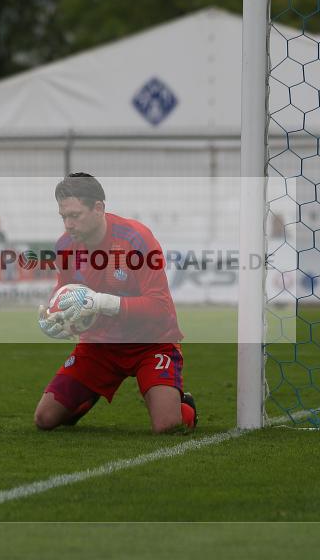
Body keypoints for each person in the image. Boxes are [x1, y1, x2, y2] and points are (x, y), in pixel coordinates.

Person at [34, 173, 197, 433]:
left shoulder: (136, 239)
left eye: (75, 215)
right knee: (45, 418)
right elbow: (64, 291)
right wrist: (57, 317)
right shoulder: (65, 246)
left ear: (98, 208)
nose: (68, 224)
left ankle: (185, 405)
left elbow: (160, 307)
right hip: (100, 345)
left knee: (167, 426)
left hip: (151, 343)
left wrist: (101, 302)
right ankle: (88, 391)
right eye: (63, 217)